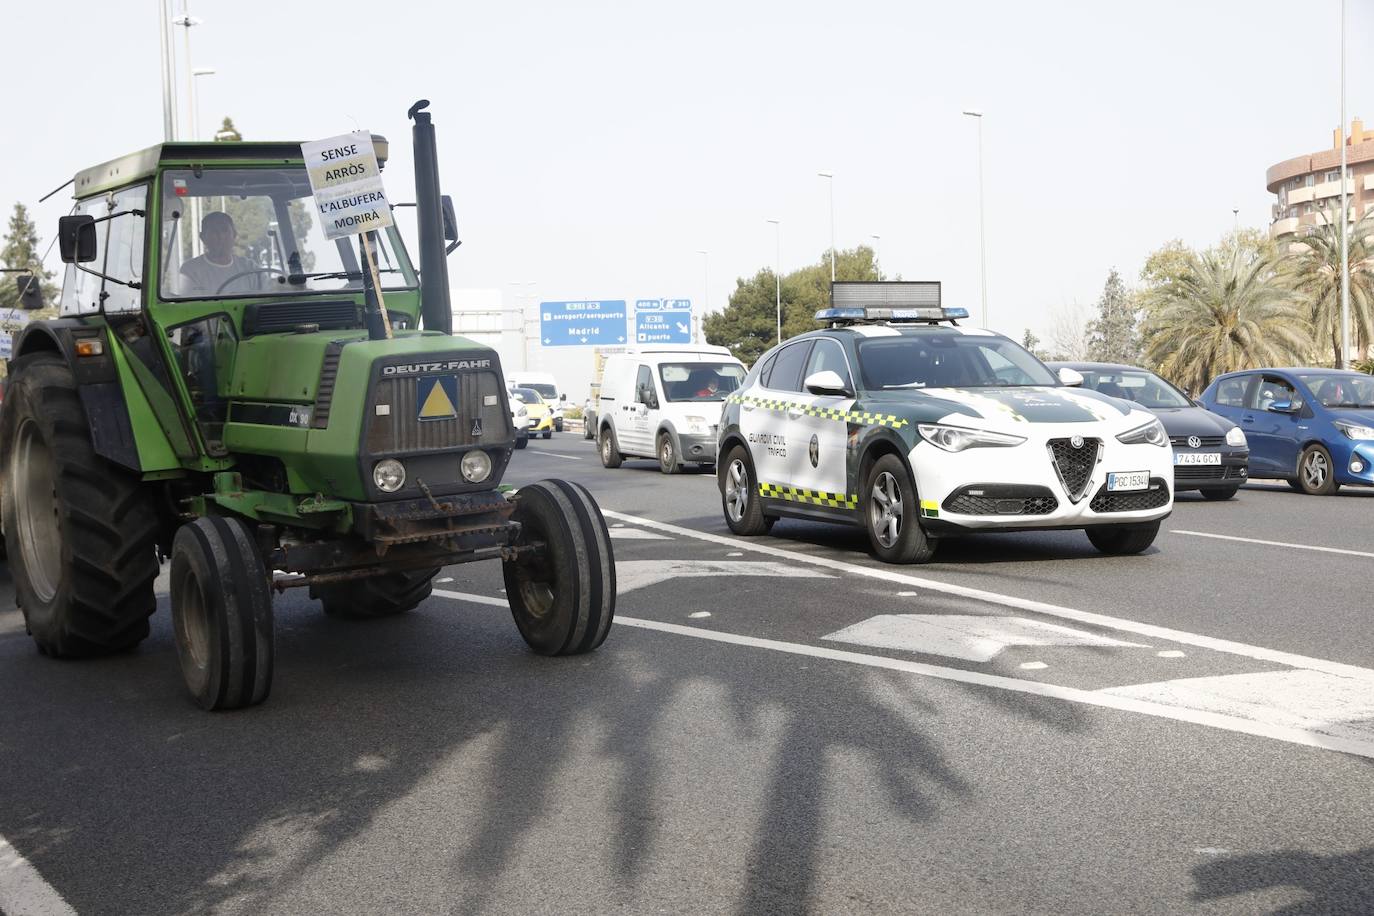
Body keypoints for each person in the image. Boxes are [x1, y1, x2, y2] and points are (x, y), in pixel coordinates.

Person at [179, 211, 266, 297]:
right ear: (203, 237)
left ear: (234, 235)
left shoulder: (251, 269)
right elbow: (190, 307)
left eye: (225, 230)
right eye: (213, 231)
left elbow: (267, 298)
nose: (220, 236)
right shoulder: (190, 271)